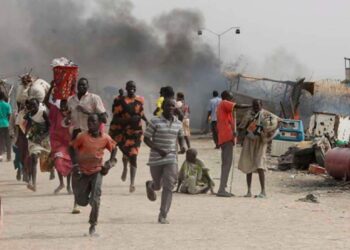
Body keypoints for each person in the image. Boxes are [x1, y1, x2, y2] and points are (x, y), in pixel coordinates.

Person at [71, 114, 117, 236]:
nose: (90, 123)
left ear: (99, 123)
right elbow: (72, 148)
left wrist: (110, 162)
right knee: (81, 201)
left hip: (97, 171)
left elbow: (114, 148)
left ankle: (93, 225)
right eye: (89, 121)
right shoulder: (82, 137)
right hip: (82, 172)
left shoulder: (105, 138)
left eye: (93, 121)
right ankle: (87, 198)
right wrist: (75, 165)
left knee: (96, 199)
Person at [67, 77, 107, 213]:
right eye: (80, 85)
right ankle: (76, 202)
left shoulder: (94, 98)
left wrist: (87, 112)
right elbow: (68, 119)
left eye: (84, 85)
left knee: (91, 168)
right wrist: (66, 119)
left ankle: (91, 195)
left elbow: (104, 118)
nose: (82, 87)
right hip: (76, 136)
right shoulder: (70, 100)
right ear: (77, 86)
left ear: (88, 86)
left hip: (91, 137)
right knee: (76, 169)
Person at [144, 98, 186, 224]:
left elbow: (181, 137)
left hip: (171, 158)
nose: (170, 108)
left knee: (169, 185)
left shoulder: (178, 123)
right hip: (156, 158)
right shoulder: (155, 121)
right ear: (162, 106)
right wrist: (158, 149)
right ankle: (151, 185)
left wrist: (183, 146)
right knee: (158, 186)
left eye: (173, 106)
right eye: (168, 105)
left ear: (175, 108)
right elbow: (146, 138)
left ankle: (163, 214)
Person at [109, 80, 147, 193]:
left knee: (134, 155)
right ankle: (125, 166)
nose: (132, 89)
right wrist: (129, 119)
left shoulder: (140, 100)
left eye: (133, 87)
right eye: (129, 87)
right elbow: (115, 118)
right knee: (127, 153)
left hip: (136, 133)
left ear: (136, 88)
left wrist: (147, 121)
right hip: (122, 132)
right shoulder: (120, 101)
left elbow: (141, 112)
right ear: (126, 88)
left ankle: (132, 183)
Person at [238, 99, 280, 198]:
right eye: (254, 105)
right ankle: (248, 191)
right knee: (248, 164)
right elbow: (242, 127)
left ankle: (263, 191)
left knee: (260, 164)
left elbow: (274, 124)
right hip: (249, 141)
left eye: (258, 105)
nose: (256, 107)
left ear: (261, 105)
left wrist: (269, 132)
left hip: (261, 142)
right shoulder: (248, 114)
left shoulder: (266, 115)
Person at [216, 91, 251, 197]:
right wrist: (250, 105)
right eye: (231, 98)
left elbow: (229, 122)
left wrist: (233, 131)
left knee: (227, 164)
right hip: (226, 138)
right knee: (226, 164)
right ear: (226, 97)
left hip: (228, 137)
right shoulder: (224, 103)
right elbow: (238, 106)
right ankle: (221, 189)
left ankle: (223, 187)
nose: (232, 100)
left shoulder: (226, 110)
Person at [43, 83, 73, 194]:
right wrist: (51, 88)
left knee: (69, 163)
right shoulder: (55, 110)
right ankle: (61, 183)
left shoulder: (72, 113)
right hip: (58, 142)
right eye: (62, 105)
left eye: (66, 105)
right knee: (58, 160)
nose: (64, 107)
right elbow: (46, 102)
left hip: (69, 142)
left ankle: (69, 186)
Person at [24, 98, 51, 191]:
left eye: (34, 105)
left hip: (43, 138)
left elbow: (49, 126)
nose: (32, 107)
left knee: (48, 159)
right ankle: (33, 183)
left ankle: (52, 171)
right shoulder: (29, 115)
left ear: (38, 105)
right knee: (33, 158)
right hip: (33, 138)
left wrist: (43, 136)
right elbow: (27, 125)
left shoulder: (42, 113)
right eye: (30, 106)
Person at [0, 91, 12, 162]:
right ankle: (9, 157)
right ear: (4, 97)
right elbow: (9, 115)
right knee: (8, 141)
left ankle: (0, 156)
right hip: (6, 124)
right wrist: (7, 121)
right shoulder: (7, 105)